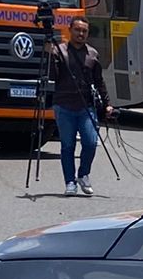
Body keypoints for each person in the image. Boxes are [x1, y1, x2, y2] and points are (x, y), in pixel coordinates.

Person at [47, 16, 115, 196]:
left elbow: (99, 81)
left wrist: (107, 104)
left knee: (91, 142)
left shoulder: (92, 54)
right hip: (64, 105)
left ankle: (83, 174)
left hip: (86, 106)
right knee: (67, 146)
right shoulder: (58, 51)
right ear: (70, 30)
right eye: (77, 30)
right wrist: (48, 55)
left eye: (84, 31)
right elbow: (51, 75)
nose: (81, 34)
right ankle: (70, 182)